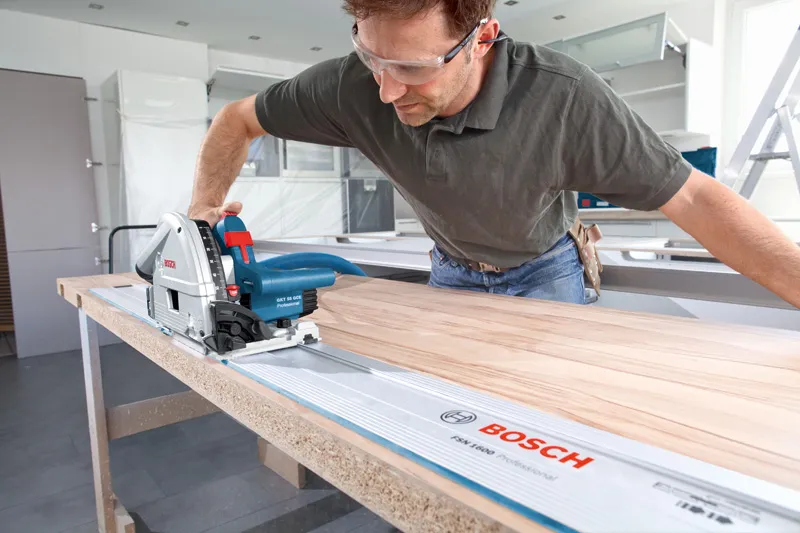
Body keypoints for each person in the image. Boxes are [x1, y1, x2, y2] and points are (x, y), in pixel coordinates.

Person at [188, 0, 800, 308]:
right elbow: (236, 120)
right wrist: (203, 211)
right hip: (450, 269)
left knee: (552, 425)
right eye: (373, 58)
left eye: (412, 67)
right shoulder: (351, 85)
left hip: (545, 270)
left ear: (481, 37)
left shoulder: (564, 98)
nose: (386, 88)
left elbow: (693, 196)